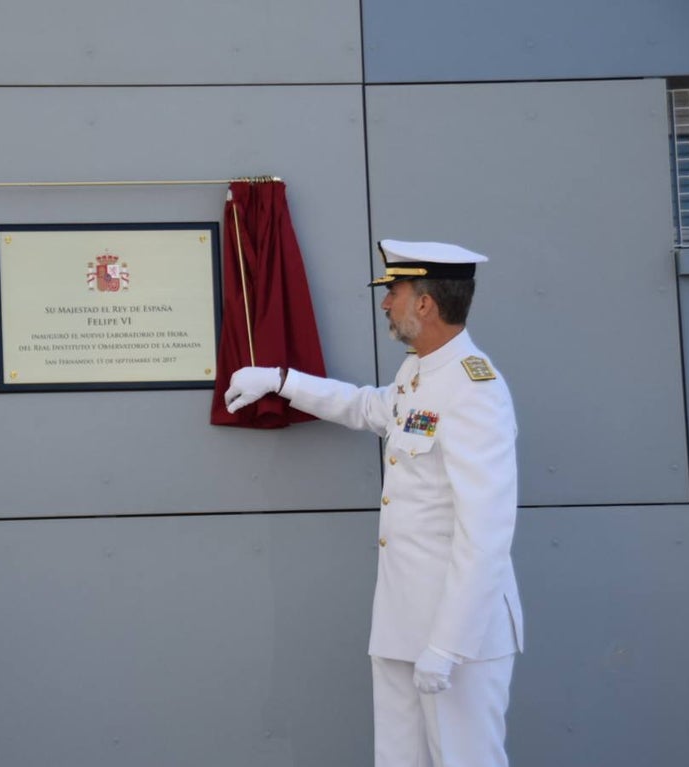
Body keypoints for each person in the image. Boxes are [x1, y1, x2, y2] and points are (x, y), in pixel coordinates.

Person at [225, 240, 524, 767]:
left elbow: (486, 532)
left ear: (425, 304)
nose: (386, 303)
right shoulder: (419, 372)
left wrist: (448, 645)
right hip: (402, 620)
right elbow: (368, 407)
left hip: (456, 634)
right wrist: (282, 380)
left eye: (394, 292)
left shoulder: (474, 389)